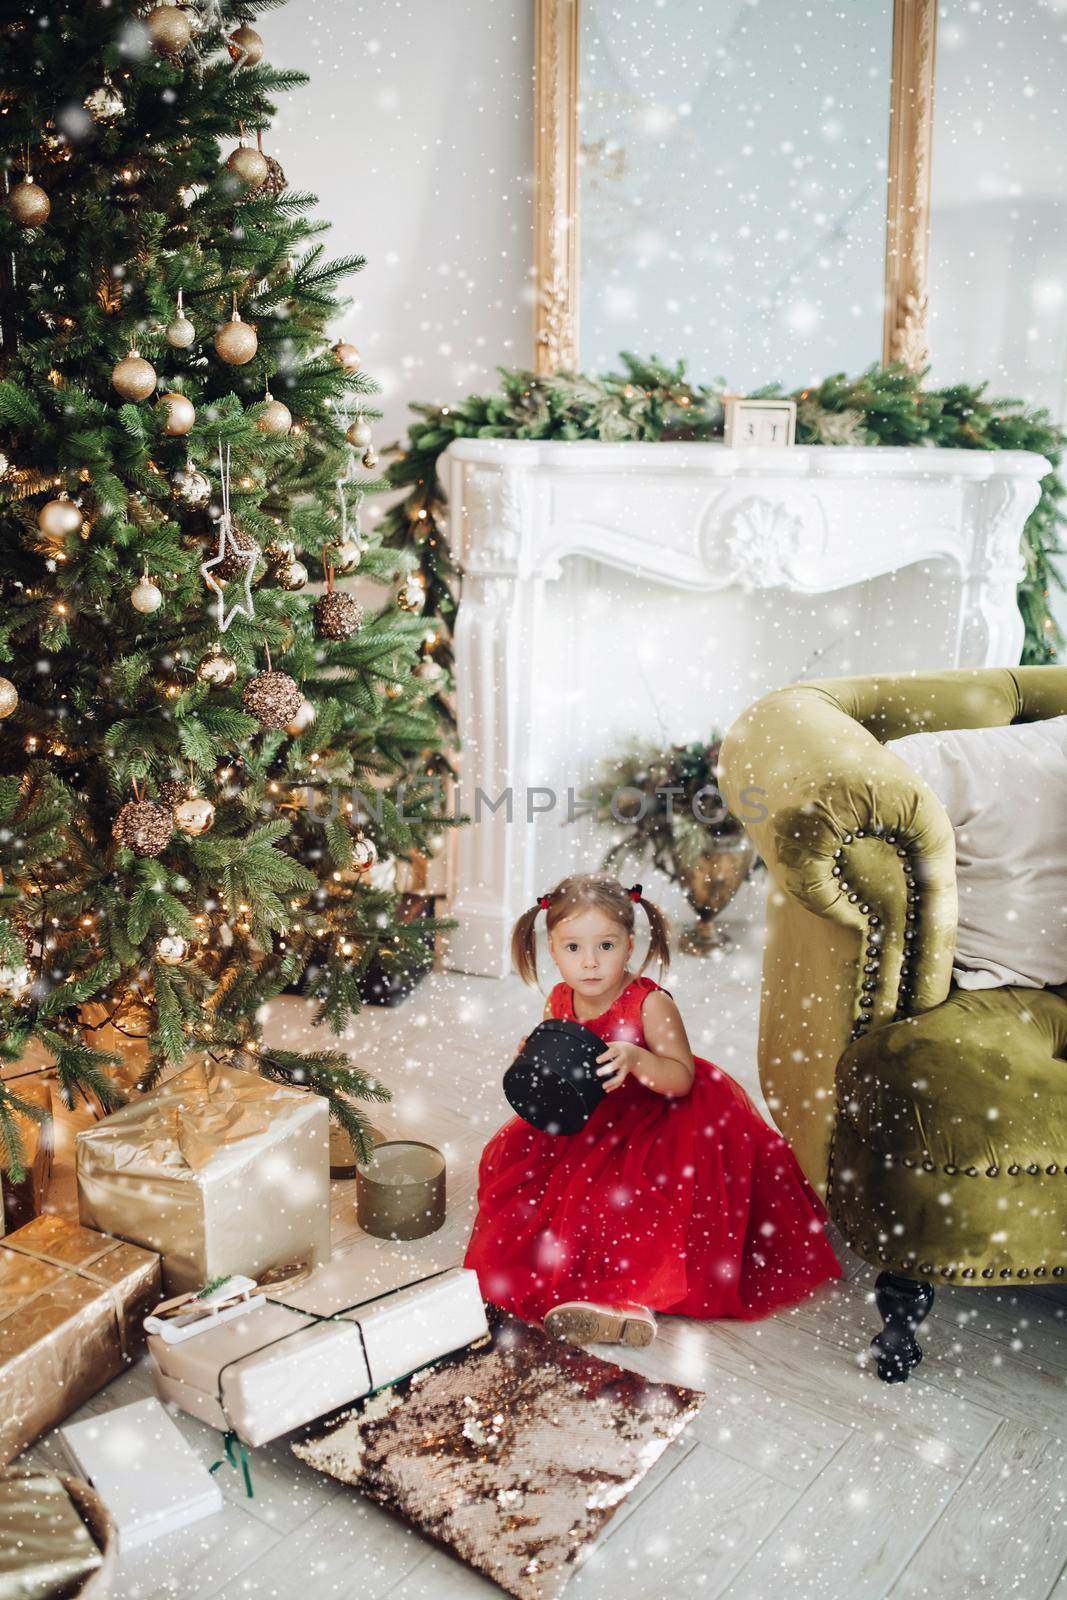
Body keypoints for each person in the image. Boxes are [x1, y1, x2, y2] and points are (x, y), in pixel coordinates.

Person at [462, 873, 841, 1348]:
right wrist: (536, 1054)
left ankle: (628, 1299)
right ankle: (583, 1288)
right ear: (553, 950)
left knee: (631, 1200)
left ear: (630, 944)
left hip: (656, 1117)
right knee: (539, 1194)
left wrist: (638, 1059)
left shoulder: (648, 1003)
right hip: (590, 1116)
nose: (592, 962)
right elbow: (561, 1055)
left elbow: (680, 1075)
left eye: (606, 945)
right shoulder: (559, 999)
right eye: (573, 948)